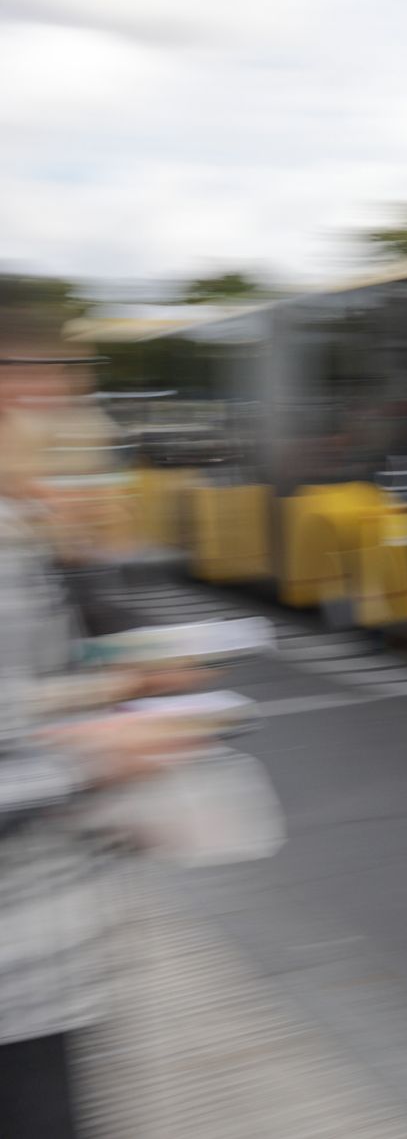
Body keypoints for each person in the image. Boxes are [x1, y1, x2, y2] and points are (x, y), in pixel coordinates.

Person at [0, 306, 200, 1138]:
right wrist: (97, 753)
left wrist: (127, 669)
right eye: (55, 399)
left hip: (45, 954)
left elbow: (79, 650)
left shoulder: (28, 530)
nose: (86, 420)